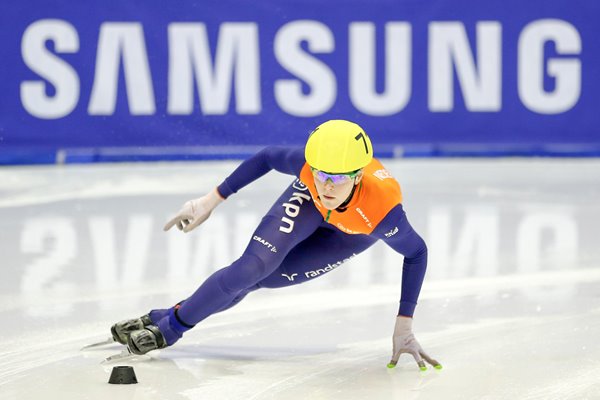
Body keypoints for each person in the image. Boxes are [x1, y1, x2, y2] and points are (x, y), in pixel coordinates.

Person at [110, 119, 441, 371]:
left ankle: (163, 315)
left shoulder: (383, 213)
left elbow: (417, 252)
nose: (326, 185)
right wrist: (210, 200)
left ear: (358, 176)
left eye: (338, 178)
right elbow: (267, 157)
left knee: (260, 281)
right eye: (320, 174)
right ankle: (170, 330)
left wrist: (404, 324)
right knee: (251, 267)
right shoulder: (311, 173)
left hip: (352, 232)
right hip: (306, 205)